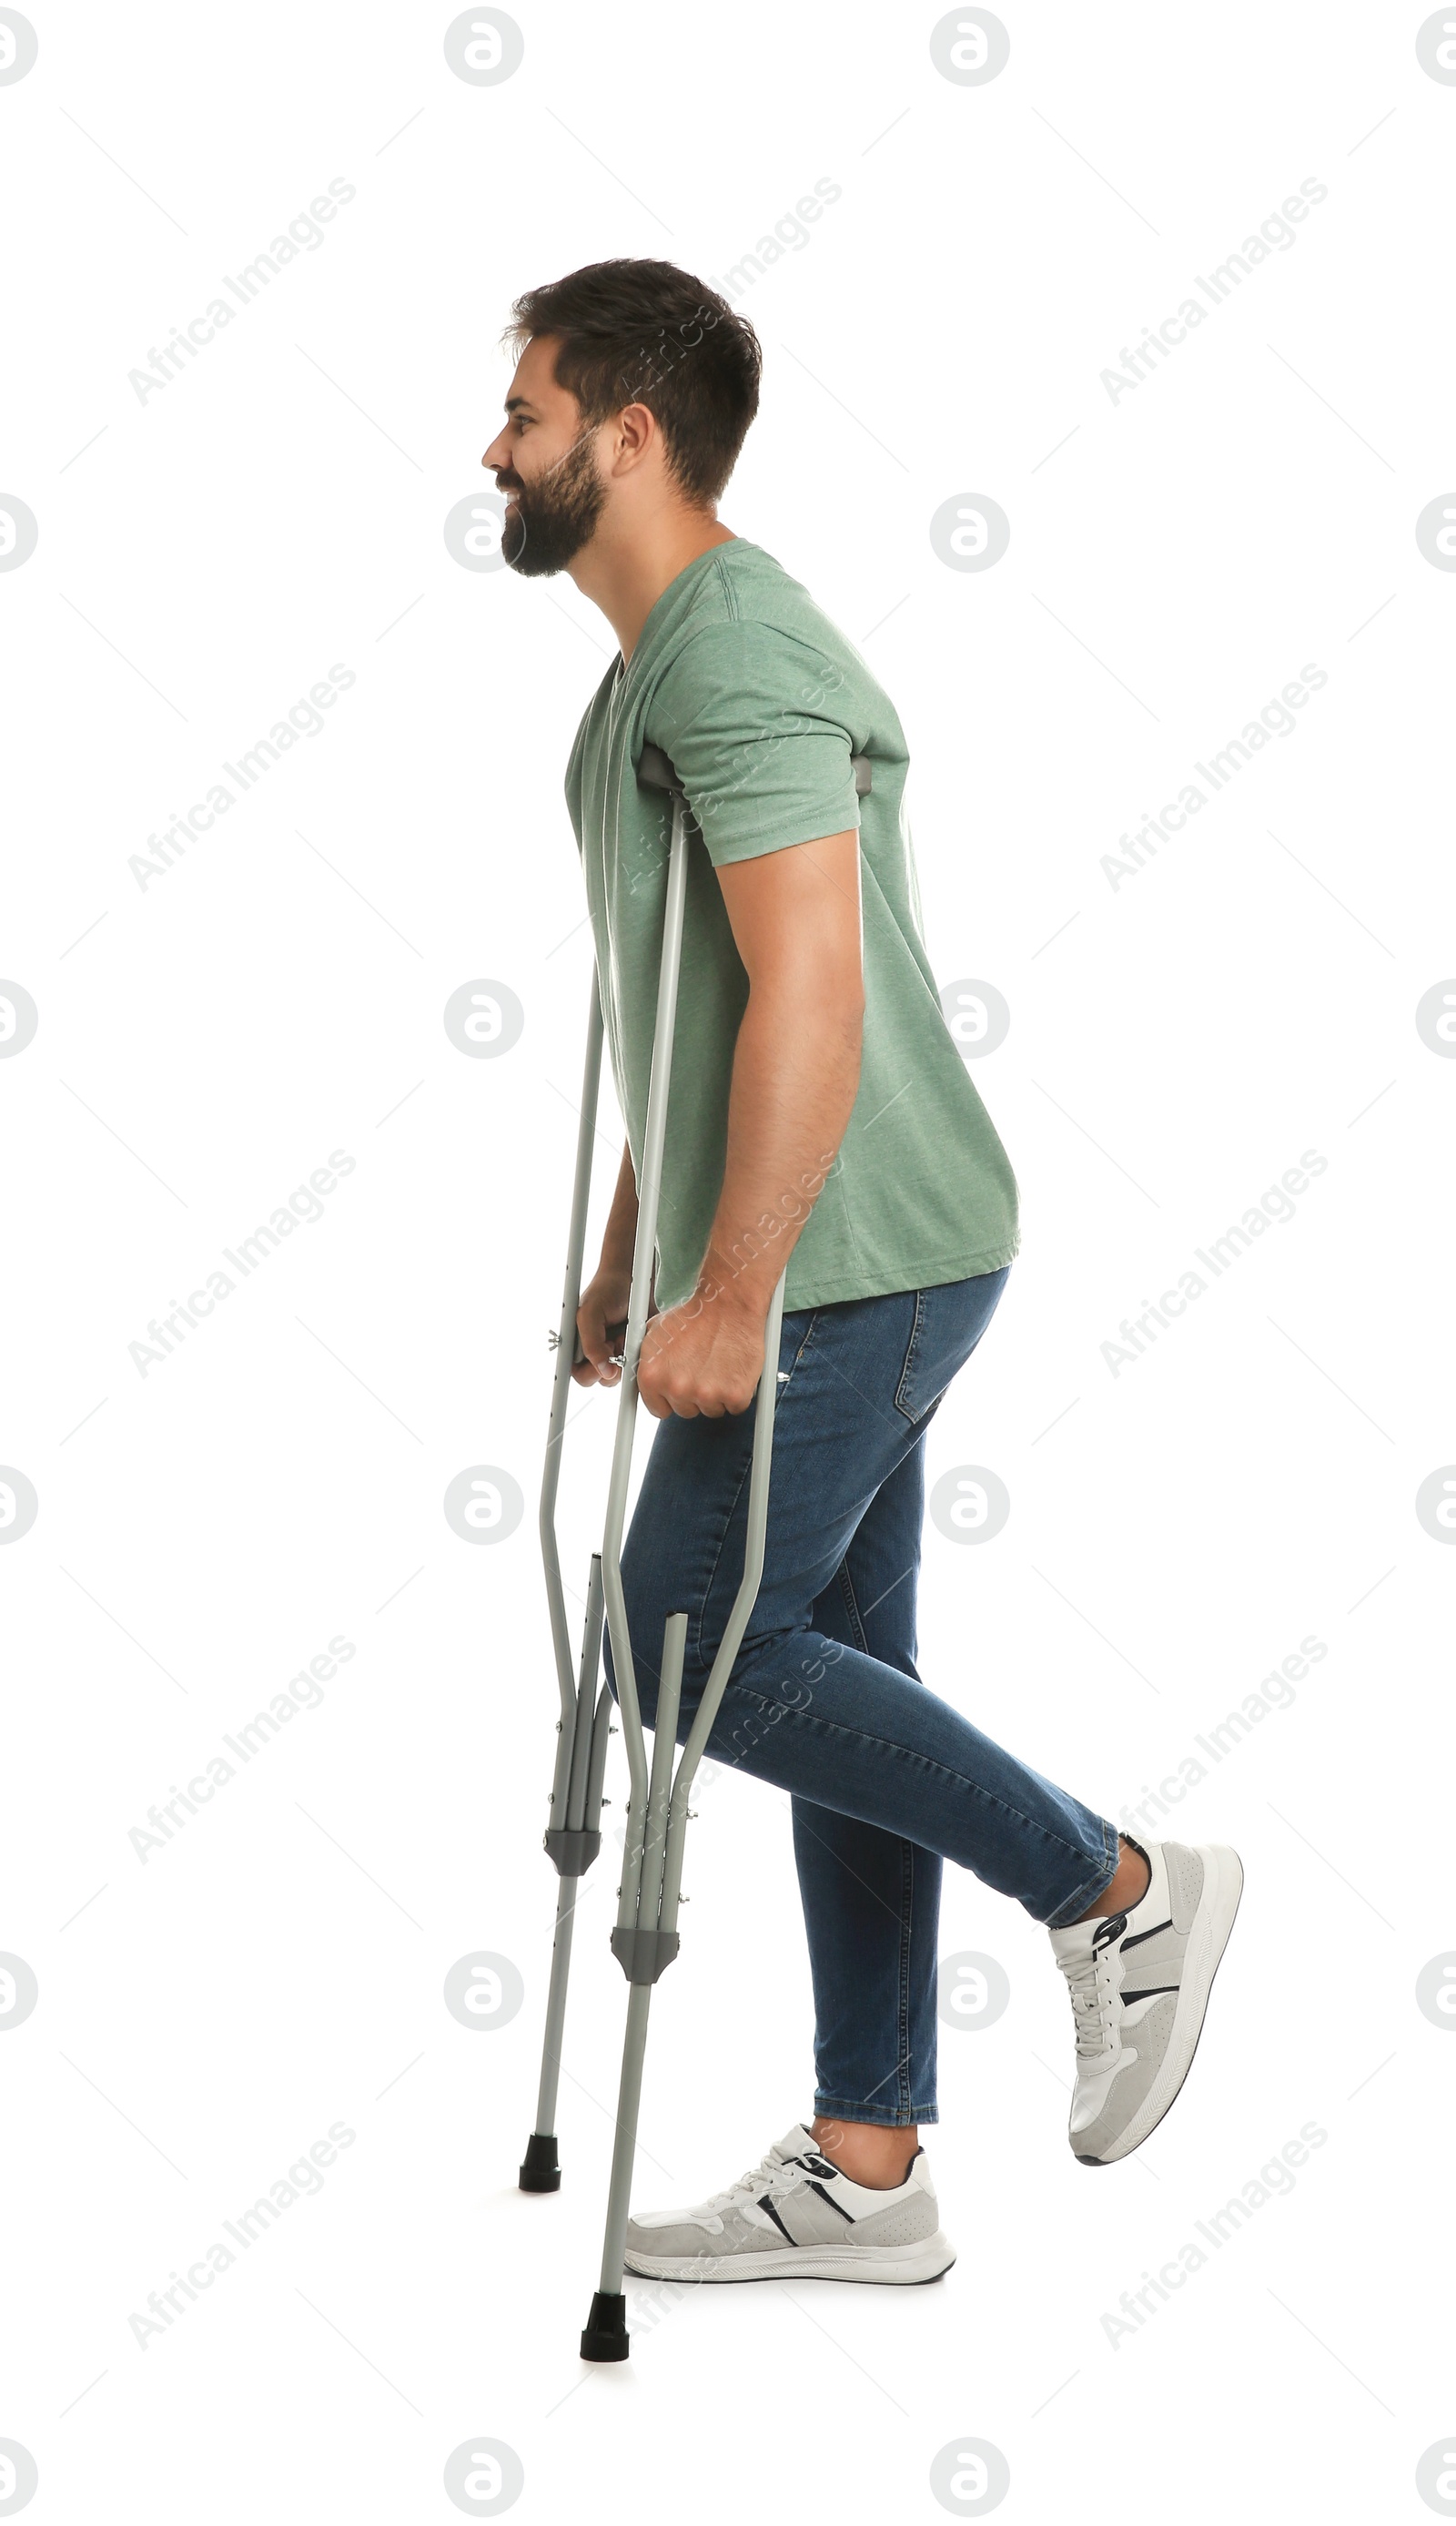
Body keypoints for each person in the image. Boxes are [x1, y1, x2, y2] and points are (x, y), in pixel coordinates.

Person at [485, 259, 1242, 2289]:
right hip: (844, 1241)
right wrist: (645, 1244)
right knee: (840, 1686)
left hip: (851, 1257)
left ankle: (1117, 1886)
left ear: (627, 435)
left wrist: (732, 1293)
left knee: (675, 1644)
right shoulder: (660, 664)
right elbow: (709, 994)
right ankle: (868, 2154)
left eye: (530, 411)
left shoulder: (729, 653)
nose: (500, 445)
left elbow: (813, 977)